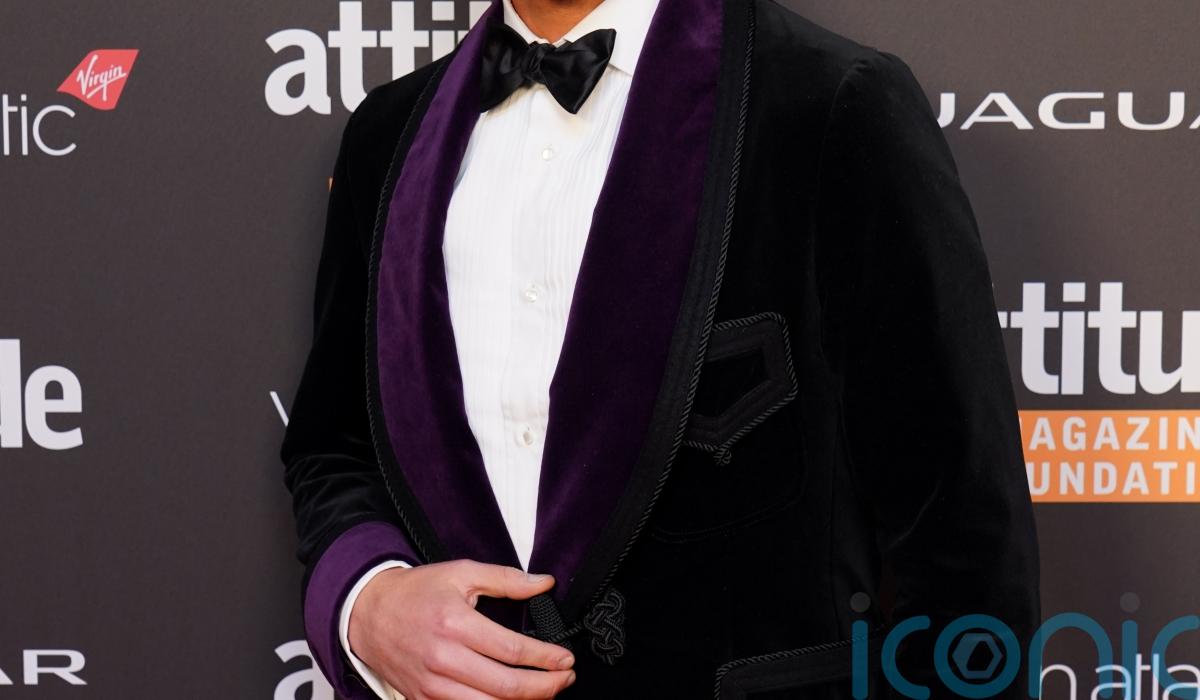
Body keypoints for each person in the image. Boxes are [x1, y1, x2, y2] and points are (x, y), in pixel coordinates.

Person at [280, 0, 1041, 696]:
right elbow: (335, 447)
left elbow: (964, 545)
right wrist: (366, 599)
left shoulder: (834, 103)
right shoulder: (387, 138)